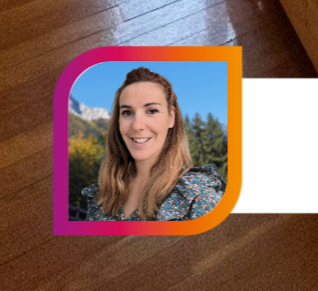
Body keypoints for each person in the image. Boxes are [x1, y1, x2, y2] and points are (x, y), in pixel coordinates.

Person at [75, 66, 225, 221]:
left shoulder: (198, 197)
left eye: (152, 111)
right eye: (127, 112)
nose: (137, 125)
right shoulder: (101, 195)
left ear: (171, 117)